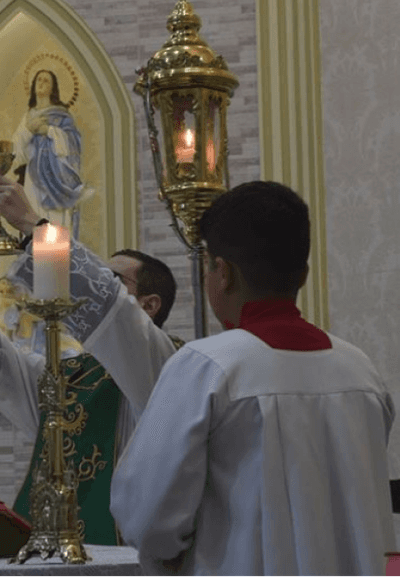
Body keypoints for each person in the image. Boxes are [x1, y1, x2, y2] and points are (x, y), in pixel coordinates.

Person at [110, 181, 395, 576]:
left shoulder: (205, 367)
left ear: (222, 272)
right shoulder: (361, 371)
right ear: (304, 273)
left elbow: (146, 515)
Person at [0, 177, 179, 545]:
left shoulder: (169, 367)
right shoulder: (70, 376)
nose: (99, 285)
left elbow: (112, 310)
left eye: (112, 278)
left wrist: (35, 226)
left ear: (148, 305)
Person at [11, 69, 89, 239]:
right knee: (35, 219)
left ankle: (59, 257)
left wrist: (49, 131)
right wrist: (29, 130)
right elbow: (16, 151)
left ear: (53, 87)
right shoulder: (28, 117)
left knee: (56, 223)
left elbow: (73, 143)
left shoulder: (62, 116)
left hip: (57, 178)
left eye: (46, 80)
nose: (41, 83)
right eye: (38, 79)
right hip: (33, 179)